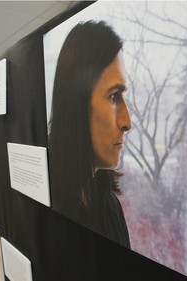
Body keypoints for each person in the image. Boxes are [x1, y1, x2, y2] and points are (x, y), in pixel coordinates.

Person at [48, 20, 132, 248]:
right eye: (114, 96)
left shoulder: (108, 204)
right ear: (77, 102)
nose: (127, 122)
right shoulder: (49, 206)